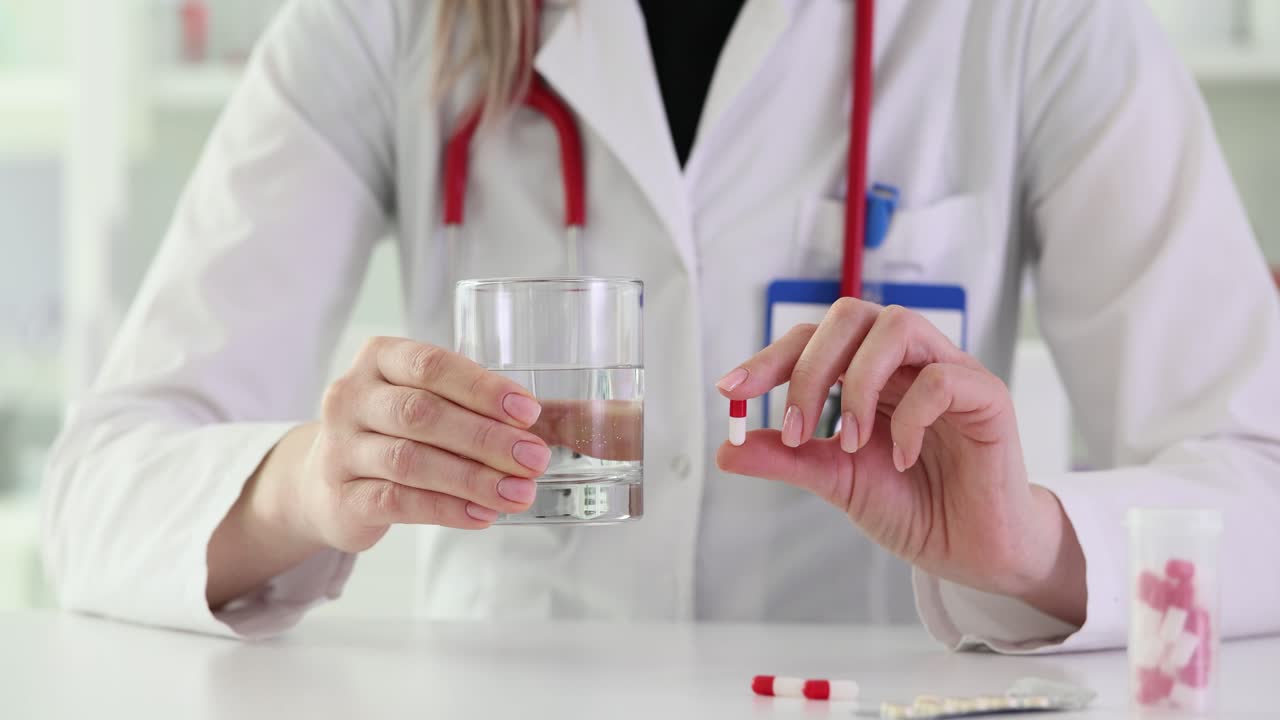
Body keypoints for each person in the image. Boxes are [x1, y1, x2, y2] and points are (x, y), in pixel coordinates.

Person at [42, 0, 1280, 651]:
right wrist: (309, 483)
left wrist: (1033, 549)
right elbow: (96, 495)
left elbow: (1258, 480)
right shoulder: (380, 22)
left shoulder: (1033, 19)